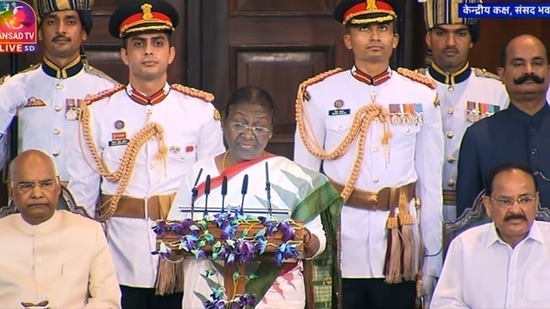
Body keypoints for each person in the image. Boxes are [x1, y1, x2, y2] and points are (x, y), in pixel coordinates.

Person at [66, 1, 225, 308]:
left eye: (157, 43)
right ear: (125, 55)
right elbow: (83, 198)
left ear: (171, 53)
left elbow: (212, 192)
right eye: (138, 44)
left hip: (182, 256)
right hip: (118, 257)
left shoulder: (199, 112)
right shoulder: (97, 113)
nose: (148, 51)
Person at [293, 0, 444, 308]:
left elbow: (430, 182)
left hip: (399, 243)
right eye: (363, 28)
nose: (375, 35)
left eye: (383, 27)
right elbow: (304, 181)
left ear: (395, 39)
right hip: (339, 240)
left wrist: (432, 253)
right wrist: (307, 244)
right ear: (348, 40)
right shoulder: (319, 94)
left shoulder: (422, 95)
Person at [166, 86, 342, 309]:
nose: (248, 134)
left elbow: (318, 241)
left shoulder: (293, 176)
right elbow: (171, 241)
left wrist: (304, 238)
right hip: (205, 295)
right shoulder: (199, 173)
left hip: (275, 297)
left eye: (259, 127)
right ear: (223, 123)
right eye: (239, 124)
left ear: (271, 131)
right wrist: (174, 245)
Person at [0, 0, 118, 183]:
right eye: (51, 22)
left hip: (84, 205)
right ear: (39, 32)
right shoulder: (16, 86)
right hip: (27, 205)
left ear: (84, 32)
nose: (60, 29)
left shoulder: (107, 91)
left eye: (70, 22)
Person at [420, 0, 509, 220]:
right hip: (421, 210)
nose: (450, 42)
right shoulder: (410, 88)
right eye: (441, 33)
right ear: (428, 38)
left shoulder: (497, 90)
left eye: (460, 33)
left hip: (479, 212)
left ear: (471, 41)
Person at [0, 149, 120, 309]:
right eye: (26, 186)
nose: (37, 193)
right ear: (12, 192)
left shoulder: (89, 232)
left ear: (58, 188)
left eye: (46, 184)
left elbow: (108, 301)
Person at [432, 163, 550, 308]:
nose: (515, 210)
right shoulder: (465, 245)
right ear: (488, 204)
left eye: (525, 200)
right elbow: (444, 303)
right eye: (505, 201)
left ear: (536, 200)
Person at [457, 34, 550, 216]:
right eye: (518, 64)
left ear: (548, 70)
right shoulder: (478, 136)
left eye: (537, 63)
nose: (529, 70)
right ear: (501, 74)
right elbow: (467, 217)